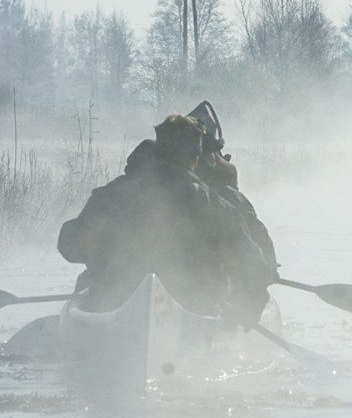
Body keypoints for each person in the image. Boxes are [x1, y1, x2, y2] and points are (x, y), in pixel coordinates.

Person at [58, 115, 275, 324]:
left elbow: (70, 247)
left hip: (113, 303)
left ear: (156, 152)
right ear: (196, 157)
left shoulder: (113, 194)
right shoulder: (215, 206)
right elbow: (253, 268)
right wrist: (246, 308)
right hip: (197, 307)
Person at [124, 101, 278, 274]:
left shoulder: (122, 191)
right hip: (193, 288)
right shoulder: (216, 201)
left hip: (130, 282)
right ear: (194, 157)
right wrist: (265, 271)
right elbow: (251, 243)